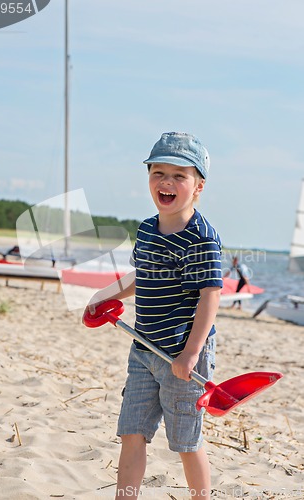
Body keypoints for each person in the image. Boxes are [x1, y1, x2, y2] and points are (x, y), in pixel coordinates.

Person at [82, 131, 223, 499]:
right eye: (158, 172)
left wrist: (191, 353)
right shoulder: (147, 229)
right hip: (143, 349)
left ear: (198, 186)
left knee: (186, 440)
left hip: (181, 354)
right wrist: (104, 294)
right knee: (132, 432)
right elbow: (141, 275)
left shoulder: (201, 238)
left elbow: (210, 295)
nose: (167, 182)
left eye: (179, 175)